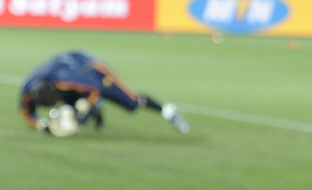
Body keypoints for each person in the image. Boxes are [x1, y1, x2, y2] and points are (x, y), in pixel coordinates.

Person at [19, 50, 190, 135]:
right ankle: (93, 114)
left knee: (132, 101)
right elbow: (26, 111)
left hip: (93, 72)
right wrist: (41, 125)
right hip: (72, 78)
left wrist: (84, 104)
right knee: (77, 120)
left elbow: (95, 90)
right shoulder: (28, 88)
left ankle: (168, 111)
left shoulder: (67, 80)